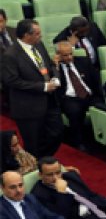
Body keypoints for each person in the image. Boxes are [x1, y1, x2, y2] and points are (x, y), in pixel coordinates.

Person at [2, 19, 63, 159]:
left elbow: (50, 65)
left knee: (57, 133)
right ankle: (38, 165)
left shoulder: (39, 44)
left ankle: (43, 160)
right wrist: (43, 86)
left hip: (50, 101)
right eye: (37, 33)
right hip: (28, 106)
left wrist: (55, 77)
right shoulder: (10, 55)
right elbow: (12, 81)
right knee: (33, 144)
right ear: (26, 35)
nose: (40, 36)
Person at [53, 41, 102, 150]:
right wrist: (55, 66)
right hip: (69, 98)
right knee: (75, 111)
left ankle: (100, 138)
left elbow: (96, 80)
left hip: (88, 95)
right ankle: (78, 142)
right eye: (65, 55)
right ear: (58, 55)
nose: (69, 57)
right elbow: (54, 83)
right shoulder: (54, 67)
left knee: (102, 107)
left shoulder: (84, 61)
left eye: (71, 54)